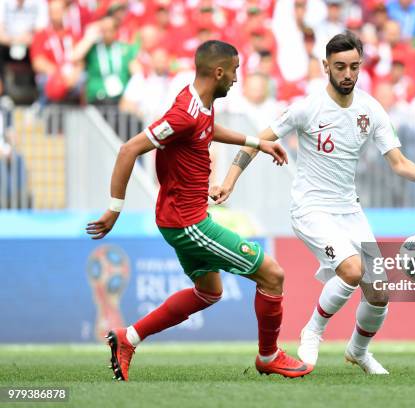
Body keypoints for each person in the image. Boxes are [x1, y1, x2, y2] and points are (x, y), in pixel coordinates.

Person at [214, 32, 415, 374]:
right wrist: (228, 181)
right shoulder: (307, 108)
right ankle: (313, 331)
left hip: (350, 211)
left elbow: (398, 162)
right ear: (326, 66)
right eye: (340, 66)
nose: (347, 74)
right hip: (311, 209)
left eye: (354, 67)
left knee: (379, 293)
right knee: (352, 270)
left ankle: (358, 351)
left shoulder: (370, 109)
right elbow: (256, 141)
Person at [86, 40, 313, 381]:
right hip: (189, 223)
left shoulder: (199, 104)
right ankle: (268, 355)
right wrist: (114, 209)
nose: (236, 78)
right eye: (234, 71)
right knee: (273, 275)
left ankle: (128, 338)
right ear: (219, 72)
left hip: (181, 218)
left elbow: (206, 130)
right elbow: (129, 149)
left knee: (209, 292)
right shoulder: (185, 113)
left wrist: (256, 142)